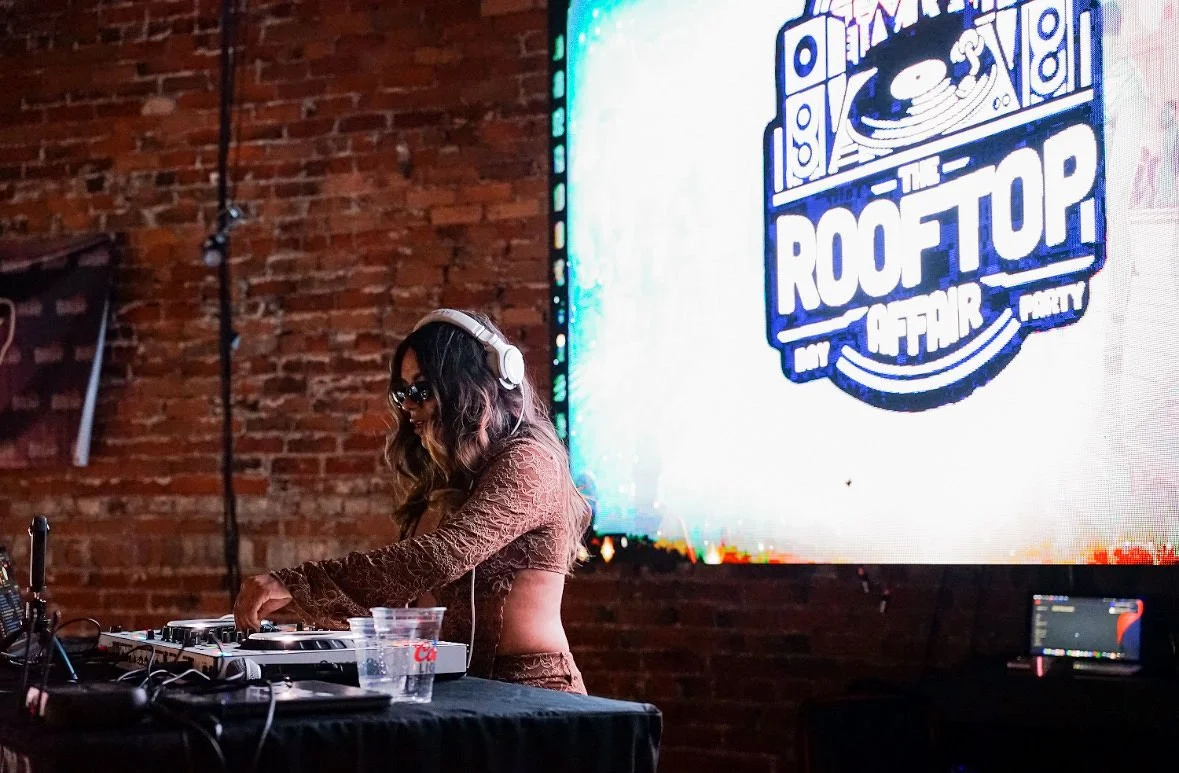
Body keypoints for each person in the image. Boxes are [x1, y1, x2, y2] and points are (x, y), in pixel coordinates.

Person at [233, 309, 592, 694]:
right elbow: (407, 592)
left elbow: (443, 555)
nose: (408, 406)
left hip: (535, 692)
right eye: (402, 392)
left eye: (421, 389)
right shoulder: (450, 477)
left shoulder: (531, 461)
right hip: (462, 688)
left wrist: (300, 585)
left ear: (466, 385)